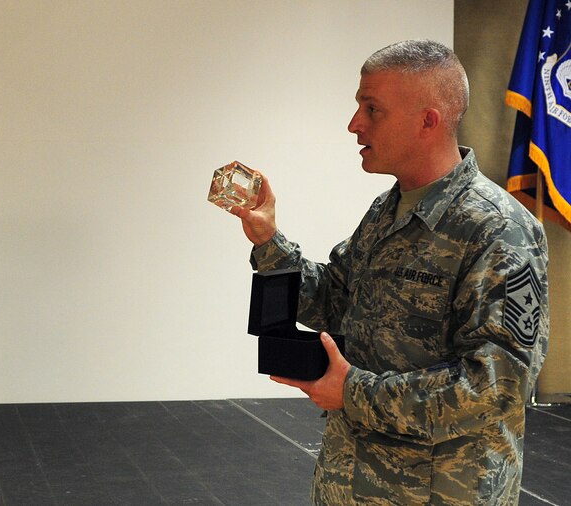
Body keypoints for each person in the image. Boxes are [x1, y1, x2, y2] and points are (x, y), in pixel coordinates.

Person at [233, 39, 549, 505]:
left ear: (428, 120)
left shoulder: (499, 230)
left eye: (371, 109)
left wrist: (353, 391)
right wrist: (268, 240)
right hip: (351, 485)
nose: (354, 125)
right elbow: (332, 300)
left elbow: (496, 387)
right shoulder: (387, 211)